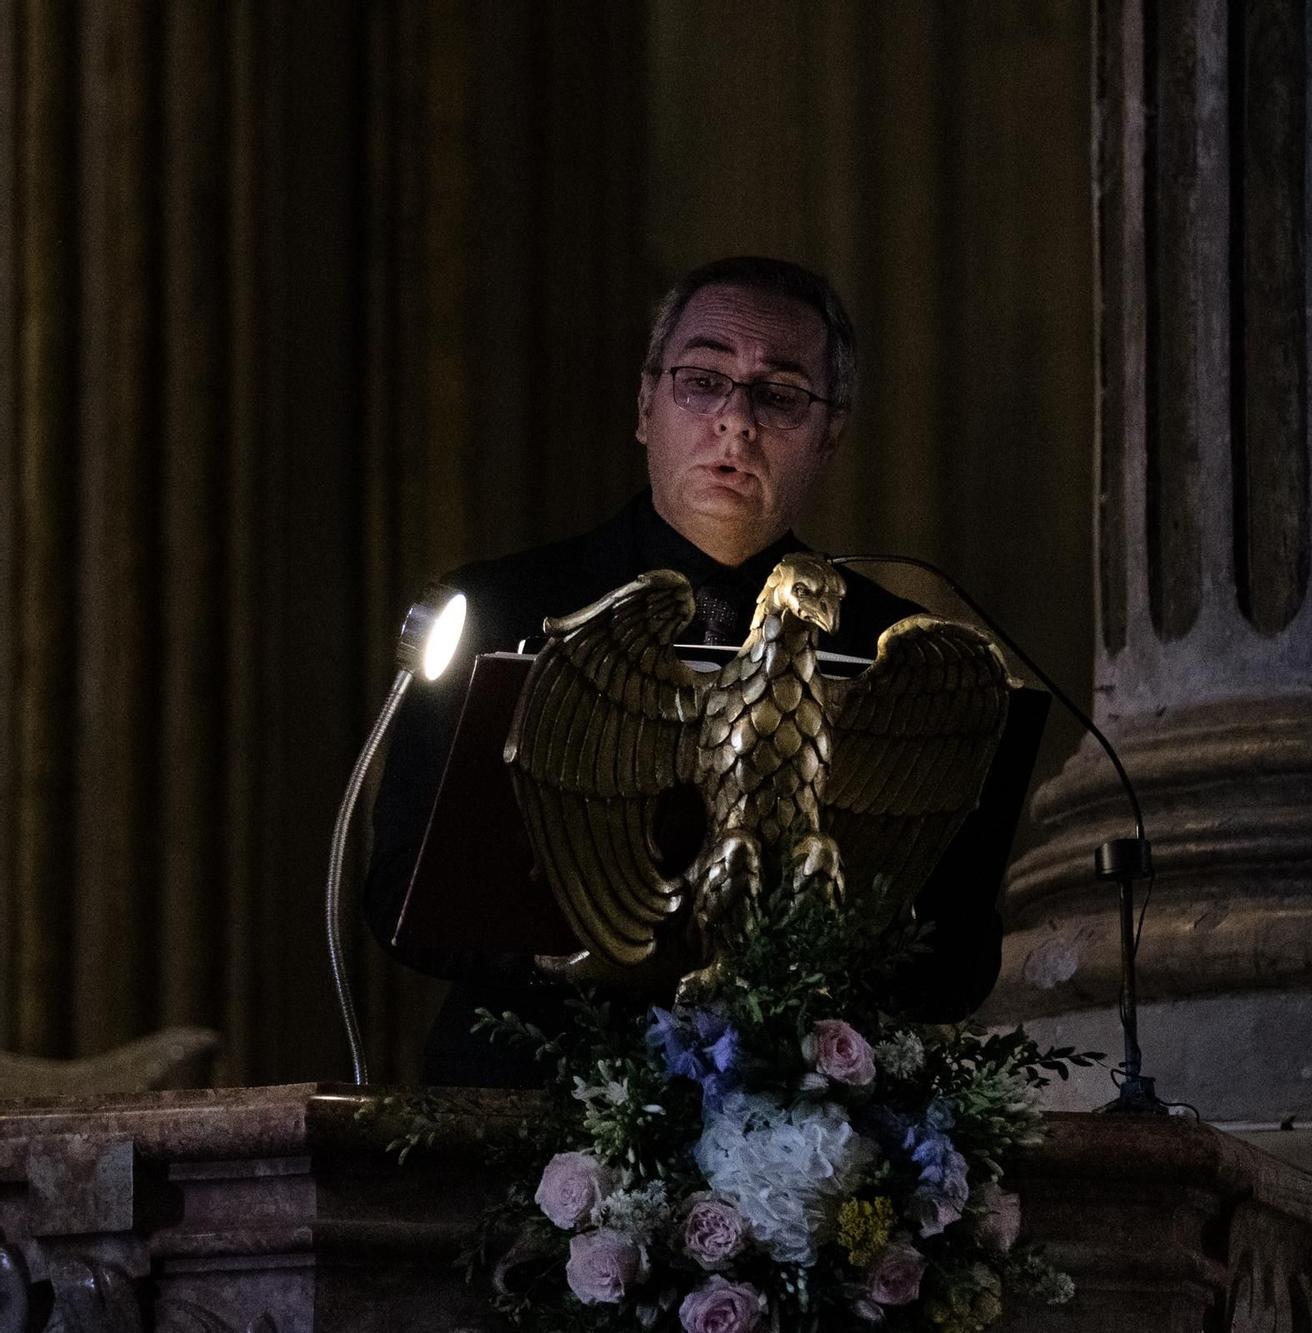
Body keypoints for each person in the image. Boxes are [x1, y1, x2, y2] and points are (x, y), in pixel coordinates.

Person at [364, 257, 1001, 1086]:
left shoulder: (895, 648)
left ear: (831, 433)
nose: (735, 422)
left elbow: (955, 958)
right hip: (535, 1099)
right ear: (644, 404)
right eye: (703, 380)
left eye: (779, 396)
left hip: (800, 1116)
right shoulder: (501, 613)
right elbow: (400, 898)